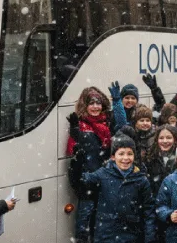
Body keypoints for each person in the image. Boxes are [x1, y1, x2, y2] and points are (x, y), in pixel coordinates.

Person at [71, 130, 156, 243]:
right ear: (113, 157)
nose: (125, 158)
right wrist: (77, 167)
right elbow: (80, 182)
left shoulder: (141, 179)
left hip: (132, 236)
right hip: (105, 235)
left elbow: (148, 210)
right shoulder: (103, 174)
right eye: (121, 154)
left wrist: (150, 237)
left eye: (129, 154)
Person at [66, 86, 124, 243]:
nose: (95, 107)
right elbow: (73, 151)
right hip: (88, 182)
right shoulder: (80, 124)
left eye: (98, 103)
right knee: (84, 221)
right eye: (91, 103)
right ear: (85, 105)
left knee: (104, 223)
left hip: (107, 180)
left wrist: (118, 102)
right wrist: (74, 131)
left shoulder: (108, 121)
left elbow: (122, 124)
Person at [146, 124, 177, 196]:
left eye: (169, 138)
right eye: (161, 138)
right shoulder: (150, 158)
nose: (165, 141)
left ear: (175, 139)